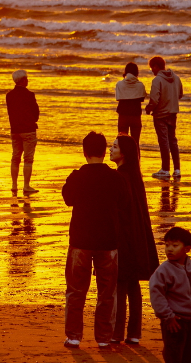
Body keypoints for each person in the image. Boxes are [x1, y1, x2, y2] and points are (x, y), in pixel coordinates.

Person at [62, 131, 129, 350]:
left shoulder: (77, 176)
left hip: (81, 239)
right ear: (103, 151)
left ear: (84, 152)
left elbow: (68, 200)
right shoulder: (115, 177)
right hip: (108, 240)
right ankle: (103, 337)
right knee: (107, 292)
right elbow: (124, 204)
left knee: (76, 291)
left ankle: (74, 336)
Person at [109, 134, 159, 346]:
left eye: (114, 146)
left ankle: (117, 333)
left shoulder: (120, 177)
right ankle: (134, 333)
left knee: (120, 284)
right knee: (132, 286)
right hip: (138, 238)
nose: (110, 149)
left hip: (124, 237)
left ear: (124, 153)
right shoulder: (135, 177)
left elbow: (119, 211)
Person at [149, 226, 191, 363]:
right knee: (173, 355)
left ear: (186, 248)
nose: (169, 249)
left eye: (175, 245)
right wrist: (167, 316)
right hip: (175, 321)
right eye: (167, 245)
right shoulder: (164, 270)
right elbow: (157, 294)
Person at [146, 56, 184, 180]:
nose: (152, 70)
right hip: (173, 113)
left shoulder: (157, 80)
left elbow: (154, 100)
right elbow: (180, 94)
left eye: (152, 67)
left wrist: (149, 108)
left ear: (157, 66)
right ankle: (177, 169)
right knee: (173, 141)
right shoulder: (176, 78)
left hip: (160, 115)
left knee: (163, 142)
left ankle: (165, 169)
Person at [5, 69, 40, 195]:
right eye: (26, 78)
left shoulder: (9, 95)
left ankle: (14, 185)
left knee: (15, 157)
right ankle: (26, 185)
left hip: (15, 130)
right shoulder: (30, 95)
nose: (28, 80)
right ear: (23, 80)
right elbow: (36, 114)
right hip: (28, 129)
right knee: (28, 158)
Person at [115, 62, 146, 147]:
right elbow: (142, 98)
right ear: (136, 72)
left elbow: (118, 98)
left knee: (122, 142)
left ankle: (123, 160)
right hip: (135, 115)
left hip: (123, 115)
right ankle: (135, 160)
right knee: (135, 143)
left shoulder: (119, 84)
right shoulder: (140, 85)